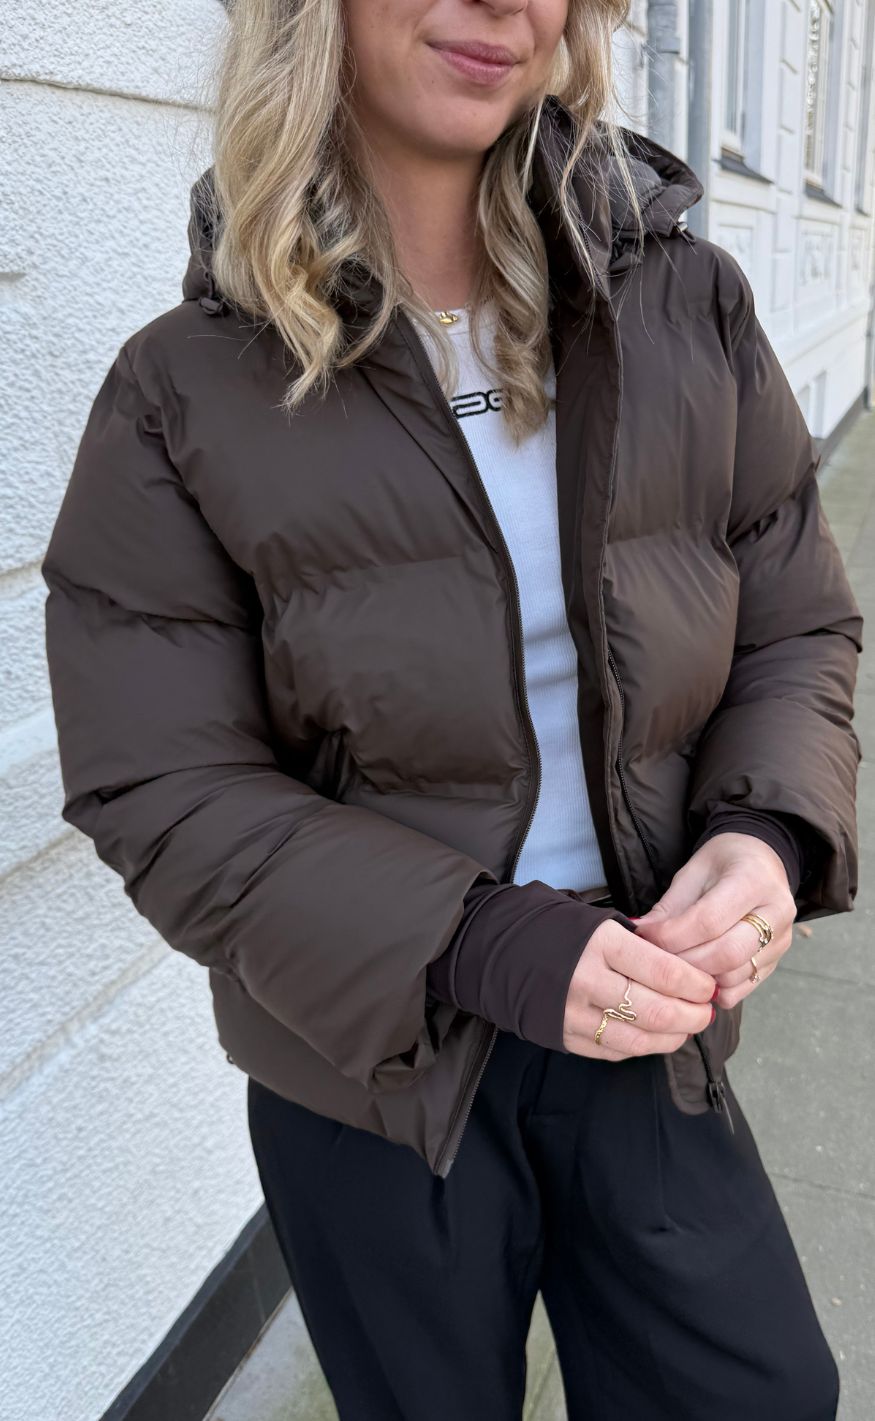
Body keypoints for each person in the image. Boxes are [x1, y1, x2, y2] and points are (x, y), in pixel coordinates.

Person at [42, 1, 863, 1417]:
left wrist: (767, 831)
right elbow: (161, 786)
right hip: (372, 1067)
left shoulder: (688, 305)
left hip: (647, 1017)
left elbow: (796, 621)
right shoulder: (183, 391)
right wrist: (477, 938)